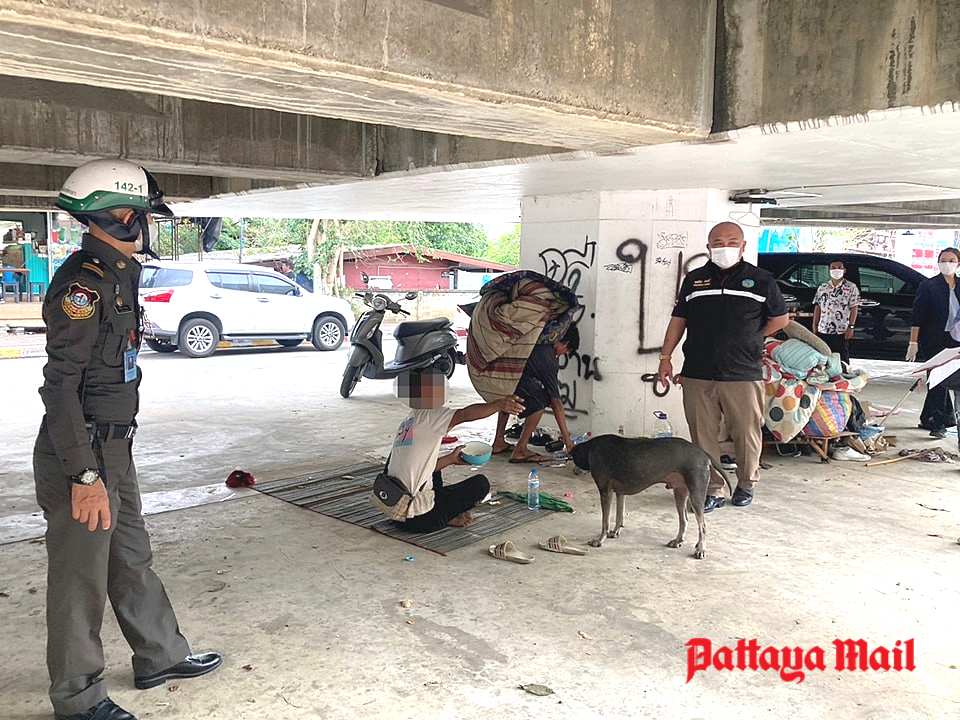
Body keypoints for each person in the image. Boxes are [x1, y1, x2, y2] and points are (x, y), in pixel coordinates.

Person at [34, 159, 222, 720]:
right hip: (83, 453)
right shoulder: (84, 284)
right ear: (119, 216)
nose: (148, 224)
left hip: (114, 448)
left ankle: (160, 655)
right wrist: (83, 474)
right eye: (142, 214)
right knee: (80, 580)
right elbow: (59, 386)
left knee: (131, 556)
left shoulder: (119, 273)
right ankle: (78, 698)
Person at [657, 222, 789, 512]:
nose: (724, 247)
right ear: (708, 247)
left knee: (746, 432)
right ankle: (713, 487)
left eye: (731, 242)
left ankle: (746, 483)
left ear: (743, 246)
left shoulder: (761, 280)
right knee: (703, 435)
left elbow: (780, 319)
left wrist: (751, 337)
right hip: (697, 372)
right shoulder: (695, 280)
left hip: (742, 373)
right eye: (717, 242)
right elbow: (679, 320)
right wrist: (665, 358)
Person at [375, 369, 524, 532]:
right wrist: (498, 405)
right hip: (420, 519)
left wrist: (451, 459)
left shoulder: (409, 421)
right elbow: (465, 414)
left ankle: (440, 510)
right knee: (480, 485)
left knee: (433, 472)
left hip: (395, 509)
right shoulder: (431, 415)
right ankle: (446, 517)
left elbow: (422, 467)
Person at [491, 324, 580, 463]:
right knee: (541, 400)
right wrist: (568, 441)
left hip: (502, 374)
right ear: (565, 343)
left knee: (509, 398)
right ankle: (520, 450)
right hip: (512, 379)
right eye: (566, 350)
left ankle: (498, 441)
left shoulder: (537, 340)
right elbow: (556, 403)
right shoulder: (549, 358)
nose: (564, 354)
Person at [906, 247, 960, 438]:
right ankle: (937, 424)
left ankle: (932, 417)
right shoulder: (928, 286)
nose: (947, 264)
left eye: (951, 260)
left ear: (958, 263)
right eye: (943, 260)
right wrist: (913, 342)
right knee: (938, 380)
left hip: (956, 340)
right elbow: (918, 316)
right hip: (934, 340)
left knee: (950, 379)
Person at [813, 260, 860, 365]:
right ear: (829, 270)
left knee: (842, 359)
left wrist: (851, 327)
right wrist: (815, 325)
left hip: (841, 331)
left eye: (839, 267)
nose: (836, 270)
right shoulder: (822, 287)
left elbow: (854, 308)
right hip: (823, 329)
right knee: (822, 359)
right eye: (833, 268)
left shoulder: (851, 287)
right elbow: (818, 306)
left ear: (844, 270)